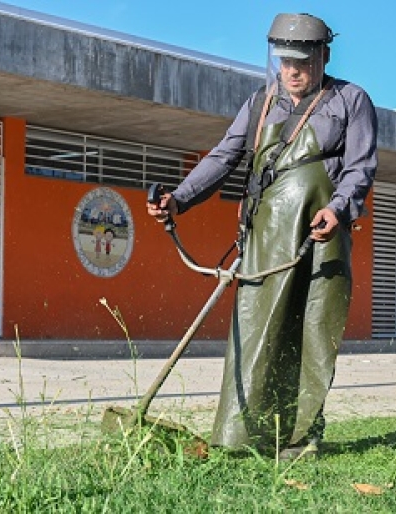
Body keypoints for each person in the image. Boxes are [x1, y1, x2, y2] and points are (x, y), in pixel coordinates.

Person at [147, 13, 377, 458]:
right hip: (267, 238)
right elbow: (224, 156)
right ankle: (242, 436)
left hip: (321, 236)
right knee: (256, 332)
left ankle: (301, 436)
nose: (293, 70)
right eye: (285, 60)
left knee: (312, 332)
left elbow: (360, 167)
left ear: (323, 56)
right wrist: (179, 197)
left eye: (303, 61)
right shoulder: (259, 103)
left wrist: (337, 208)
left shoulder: (351, 100)